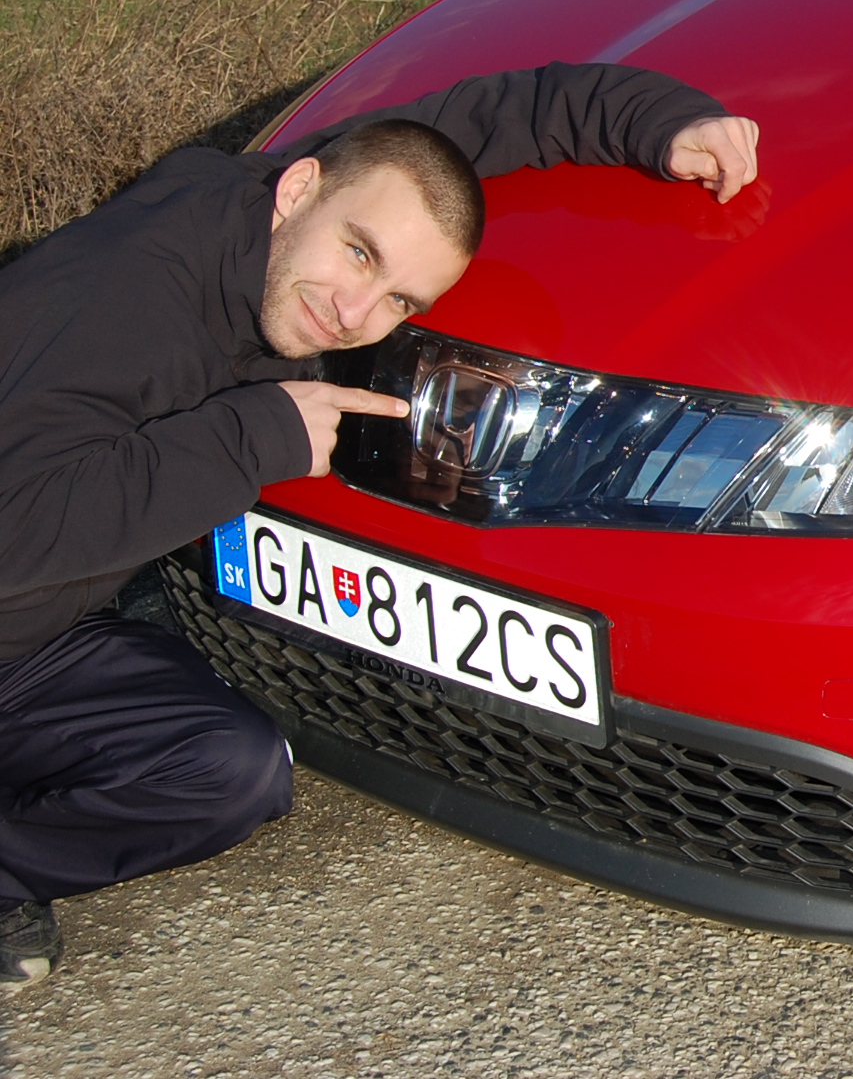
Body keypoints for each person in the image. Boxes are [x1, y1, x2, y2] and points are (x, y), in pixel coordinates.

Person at [0, 61, 759, 985]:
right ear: (297, 190)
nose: (354, 314)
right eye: (360, 255)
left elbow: (484, 119)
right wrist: (252, 437)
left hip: (38, 634)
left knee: (228, 773)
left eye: (400, 299)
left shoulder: (301, 207)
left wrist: (664, 119)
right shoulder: (124, 297)